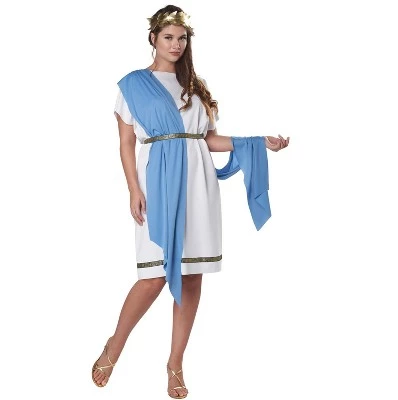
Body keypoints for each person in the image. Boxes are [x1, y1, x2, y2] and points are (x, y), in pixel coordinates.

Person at [91, 4, 289, 399]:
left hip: (199, 185)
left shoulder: (195, 86)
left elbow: (207, 140)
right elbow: (126, 143)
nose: (176, 44)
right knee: (153, 276)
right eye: (168, 37)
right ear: (153, 39)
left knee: (193, 274)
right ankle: (115, 344)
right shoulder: (132, 85)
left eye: (182, 38)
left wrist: (257, 143)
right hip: (156, 183)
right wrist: (133, 189)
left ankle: (175, 363)